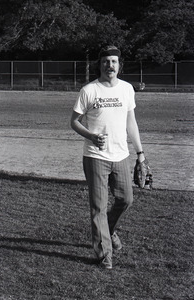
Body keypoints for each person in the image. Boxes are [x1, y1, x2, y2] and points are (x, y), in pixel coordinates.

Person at [71, 45, 145, 269]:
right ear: (100, 64)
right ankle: (104, 253)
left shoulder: (126, 89)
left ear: (119, 65)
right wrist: (91, 136)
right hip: (95, 156)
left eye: (114, 61)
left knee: (126, 200)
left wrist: (140, 154)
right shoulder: (89, 90)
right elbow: (74, 122)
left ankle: (109, 230)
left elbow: (130, 123)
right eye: (105, 61)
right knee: (98, 207)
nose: (109, 65)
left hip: (121, 155)